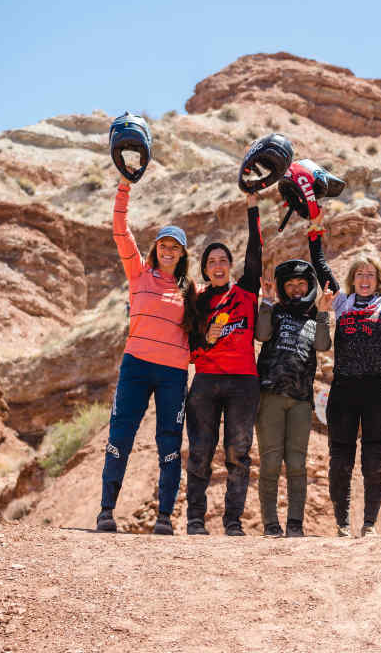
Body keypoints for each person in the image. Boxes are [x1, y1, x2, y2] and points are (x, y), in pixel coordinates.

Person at [97, 174, 198, 535]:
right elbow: (120, 230)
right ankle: (106, 511)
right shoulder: (138, 272)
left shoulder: (190, 290)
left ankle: (165, 518)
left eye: (175, 247)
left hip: (172, 372)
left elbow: (201, 331)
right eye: (163, 245)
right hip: (136, 366)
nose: (168, 251)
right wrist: (124, 185)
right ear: (155, 249)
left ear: (183, 253)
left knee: (169, 442)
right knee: (120, 434)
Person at [325, 200, 381, 538]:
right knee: (340, 461)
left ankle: (370, 524)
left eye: (370, 274)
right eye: (359, 274)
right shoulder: (341, 302)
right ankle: (343, 523)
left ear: (377, 280)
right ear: (352, 278)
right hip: (344, 388)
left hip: (376, 390)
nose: (364, 278)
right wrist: (316, 230)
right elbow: (320, 265)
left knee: (374, 462)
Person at [184, 185, 265, 536]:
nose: (218, 266)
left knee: (238, 453)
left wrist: (252, 208)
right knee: (201, 452)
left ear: (231, 266)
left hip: (243, 382)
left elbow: (256, 252)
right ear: (205, 268)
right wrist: (206, 339)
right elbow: (187, 345)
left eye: (223, 261)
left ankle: (232, 523)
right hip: (204, 382)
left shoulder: (246, 292)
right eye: (211, 261)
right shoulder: (197, 299)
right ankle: (195, 520)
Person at [255, 216, 337, 537]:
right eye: (290, 285)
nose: (296, 288)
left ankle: (295, 525)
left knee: (298, 465)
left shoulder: (313, 317)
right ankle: (270, 524)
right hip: (270, 396)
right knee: (271, 463)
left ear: (309, 287)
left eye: (301, 284)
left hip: (302, 401)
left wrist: (323, 311)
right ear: (283, 288)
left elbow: (323, 345)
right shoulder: (274, 312)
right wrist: (265, 301)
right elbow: (262, 336)